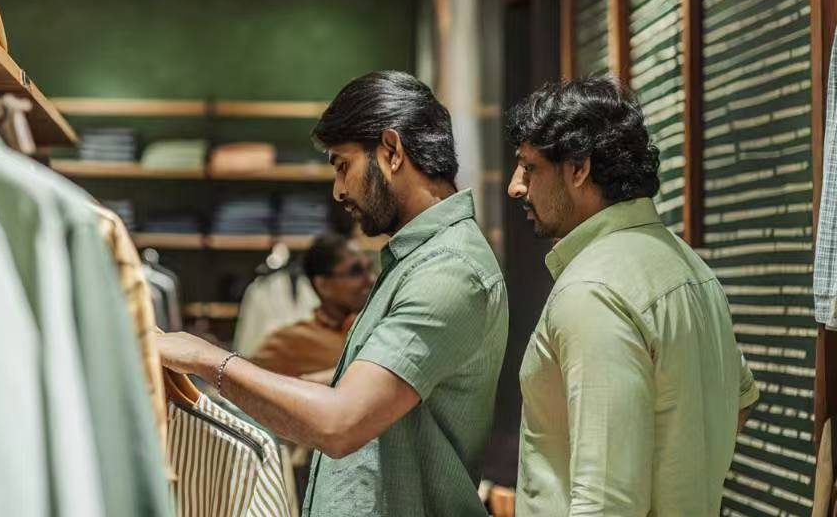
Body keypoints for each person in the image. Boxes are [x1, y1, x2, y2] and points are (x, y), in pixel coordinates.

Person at [156, 70, 508, 517]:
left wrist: (205, 356)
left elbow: (341, 422)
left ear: (391, 151)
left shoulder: (448, 272)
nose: (339, 190)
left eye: (343, 165)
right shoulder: (414, 262)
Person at [506, 76, 759, 516]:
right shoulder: (691, 267)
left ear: (578, 169)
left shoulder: (591, 291)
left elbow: (606, 504)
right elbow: (740, 403)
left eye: (530, 168)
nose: (516, 186)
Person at [248, 233, 375, 380]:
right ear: (323, 285)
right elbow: (248, 380)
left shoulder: (378, 328)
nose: (371, 279)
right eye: (356, 272)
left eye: (370, 268)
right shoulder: (292, 342)